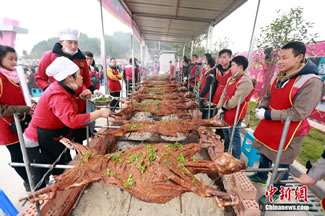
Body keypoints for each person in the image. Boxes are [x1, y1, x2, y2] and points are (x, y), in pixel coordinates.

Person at [249, 41, 324, 203]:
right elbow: (268, 96)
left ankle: (277, 191)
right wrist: (262, 107)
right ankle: (261, 176)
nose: (280, 62)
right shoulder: (279, 75)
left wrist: (268, 114)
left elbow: (299, 112)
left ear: (299, 58)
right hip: (271, 125)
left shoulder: (311, 82)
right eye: (279, 58)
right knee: (264, 154)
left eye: (285, 58)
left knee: (281, 163)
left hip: (290, 129)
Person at [24, 57, 111, 184]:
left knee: (58, 168)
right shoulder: (57, 94)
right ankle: (40, 197)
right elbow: (72, 120)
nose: (82, 78)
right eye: (79, 75)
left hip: (54, 136)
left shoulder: (66, 90)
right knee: (41, 175)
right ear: (69, 78)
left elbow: (71, 110)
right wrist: (99, 113)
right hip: (38, 140)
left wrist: (80, 99)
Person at [0, 45, 36, 191]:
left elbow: (22, 97)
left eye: (16, 59)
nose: (14, 62)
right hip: (7, 125)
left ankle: (35, 178)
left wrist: (32, 104)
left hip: (23, 121)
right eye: (10, 59)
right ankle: (29, 182)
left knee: (28, 152)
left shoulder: (16, 76)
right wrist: (25, 109)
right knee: (17, 155)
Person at [216, 56, 255, 159]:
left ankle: (236, 157)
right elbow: (224, 93)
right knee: (226, 131)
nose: (230, 68)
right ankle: (226, 150)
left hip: (236, 110)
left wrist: (223, 108)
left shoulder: (246, 81)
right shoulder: (231, 78)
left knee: (234, 135)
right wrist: (219, 107)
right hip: (226, 108)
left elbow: (236, 99)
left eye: (233, 65)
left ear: (240, 67)